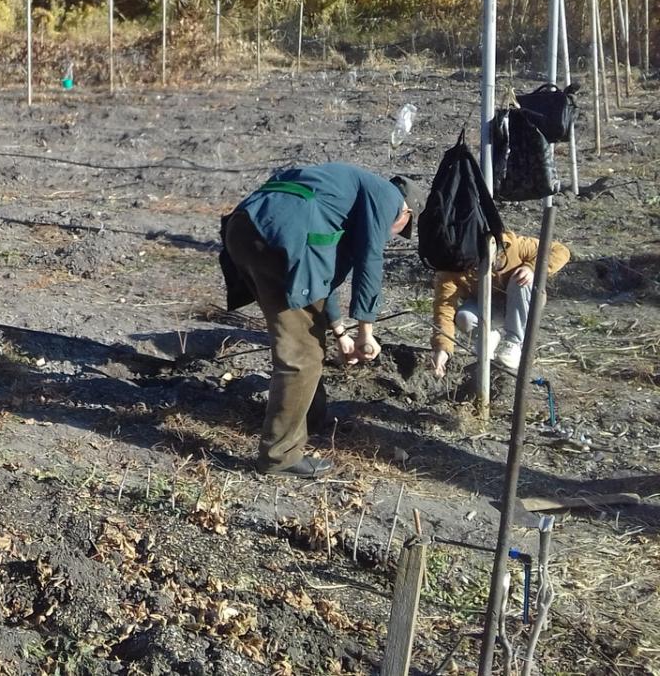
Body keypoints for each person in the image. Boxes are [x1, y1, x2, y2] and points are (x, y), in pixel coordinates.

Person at [220, 164, 424, 478]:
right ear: (406, 211)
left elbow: (322, 273)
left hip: (246, 227)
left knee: (302, 341)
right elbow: (370, 260)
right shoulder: (387, 197)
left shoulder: (338, 192)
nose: (393, 233)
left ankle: (306, 421)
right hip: (283, 239)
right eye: (401, 228)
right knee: (301, 354)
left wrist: (340, 332)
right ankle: (280, 457)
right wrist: (365, 332)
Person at [430, 231, 570, 375]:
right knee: (464, 317)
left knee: (520, 280)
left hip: (521, 300)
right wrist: (442, 349)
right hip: (487, 306)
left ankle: (514, 343)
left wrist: (531, 268)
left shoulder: (514, 245)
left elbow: (560, 251)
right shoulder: (452, 267)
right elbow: (444, 308)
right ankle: (488, 334)